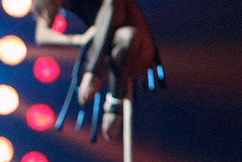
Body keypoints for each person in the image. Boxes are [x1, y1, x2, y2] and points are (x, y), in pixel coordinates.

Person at [32, 0, 162, 140]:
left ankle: (103, 84)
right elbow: (42, 34)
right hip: (101, 49)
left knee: (128, 34)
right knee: (127, 36)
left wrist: (93, 71)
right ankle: (97, 78)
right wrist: (78, 39)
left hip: (136, 45)